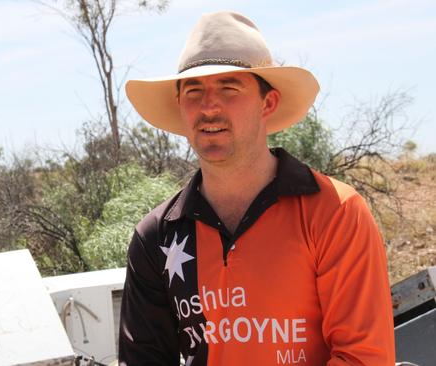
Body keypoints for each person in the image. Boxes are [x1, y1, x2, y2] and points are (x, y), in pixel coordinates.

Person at [118, 11, 395, 365]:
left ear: (268, 103)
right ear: (180, 106)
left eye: (229, 88)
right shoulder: (156, 237)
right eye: (193, 91)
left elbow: (364, 357)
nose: (209, 106)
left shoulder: (334, 212)